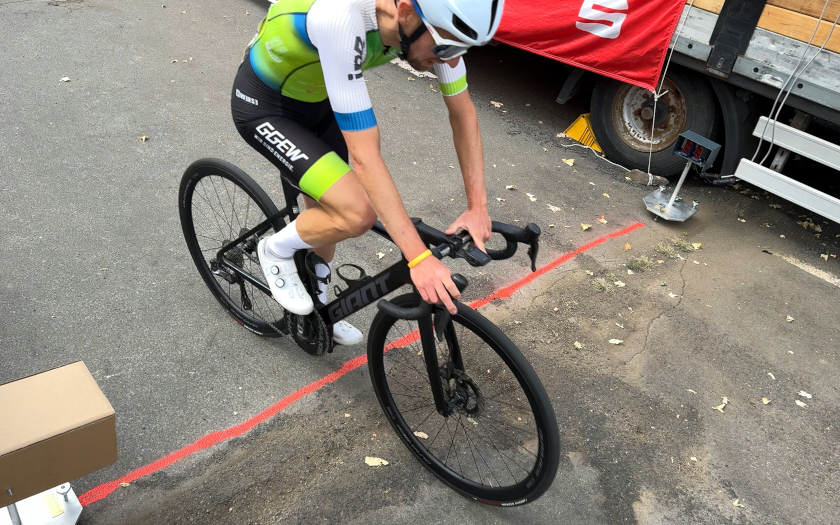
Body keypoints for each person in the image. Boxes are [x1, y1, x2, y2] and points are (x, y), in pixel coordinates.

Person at [231, 0, 504, 345]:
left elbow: (463, 115)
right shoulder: (340, 17)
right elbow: (365, 156)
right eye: (447, 47)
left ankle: (318, 305)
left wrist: (478, 206)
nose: (452, 59)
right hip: (266, 107)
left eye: (464, 50)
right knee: (356, 212)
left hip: (321, 101)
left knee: (327, 220)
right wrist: (418, 257)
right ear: (405, 11)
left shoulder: (427, 28)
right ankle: (273, 249)